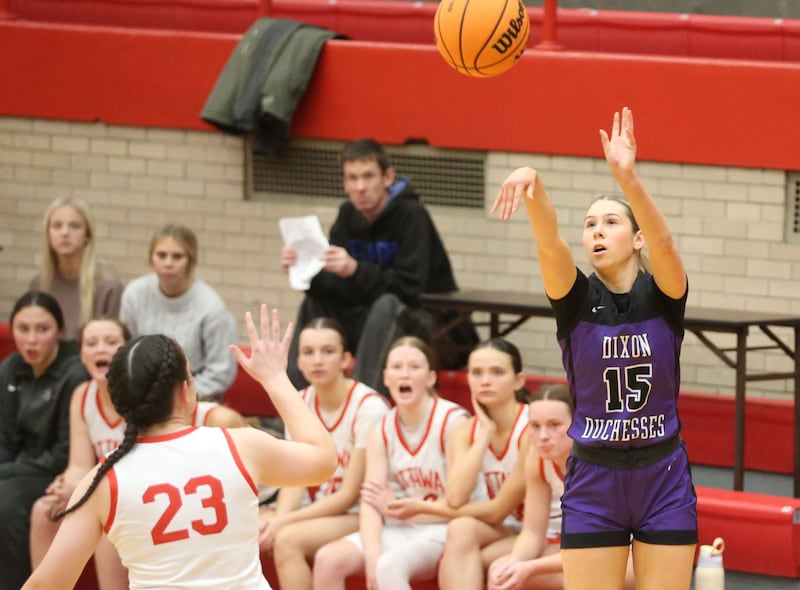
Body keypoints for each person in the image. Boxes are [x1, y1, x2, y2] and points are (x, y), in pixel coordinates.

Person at [492, 107, 697, 590]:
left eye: (610, 222)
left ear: (636, 237)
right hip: (594, 478)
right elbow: (549, 244)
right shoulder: (576, 299)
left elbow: (665, 242)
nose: (597, 231)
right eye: (590, 225)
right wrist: (534, 185)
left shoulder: (663, 293)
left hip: (662, 474)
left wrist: (627, 179)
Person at [21, 305, 337, 590]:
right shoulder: (238, 444)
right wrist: (275, 378)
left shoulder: (101, 481)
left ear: (119, 404)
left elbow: (46, 584)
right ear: (185, 391)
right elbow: (324, 460)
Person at [28, 317, 247, 590]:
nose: (100, 350)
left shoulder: (199, 417)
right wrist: (69, 484)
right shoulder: (83, 396)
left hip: (192, 501)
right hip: (146, 497)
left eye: (110, 342)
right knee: (45, 510)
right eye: (91, 343)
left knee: (113, 518)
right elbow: (79, 465)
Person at [281, 138, 476, 394]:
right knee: (314, 304)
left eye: (368, 177)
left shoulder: (412, 216)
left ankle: (364, 409)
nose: (360, 187)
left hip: (430, 325)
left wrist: (355, 270)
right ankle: (294, 403)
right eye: (352, 178)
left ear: (387, 178)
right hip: (369, 318)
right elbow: (338, 287)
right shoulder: (347, 216)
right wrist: (305, 269)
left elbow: (411, 289)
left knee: (387, 305)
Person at [311, 336, 481, 590]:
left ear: (431, 378)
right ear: (386, 377)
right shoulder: (382, 429)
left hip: (447, 528)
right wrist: (372, 552)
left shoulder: (453, 421)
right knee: (328, 559)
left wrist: (408, 508)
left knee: (389, 565)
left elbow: (460, 502)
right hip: (404, 527)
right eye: (397, 367)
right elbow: (370, 500)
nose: (405, 374)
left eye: (414, 367)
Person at [260, 317, 390, 590]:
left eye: (327, 352)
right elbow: (294, 479)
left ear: (346, 360)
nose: (317, 360)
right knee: (252, 527)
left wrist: (284, 521)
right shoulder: (299, 401)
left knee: (287, 539)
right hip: (318, 508)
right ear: (298, 362)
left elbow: (348, 495)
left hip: (360, 513)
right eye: (308, 352)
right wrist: (279, 518)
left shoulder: (369, 407)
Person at [0, 291, 89, 590]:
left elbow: (64, 452)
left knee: (7, 504)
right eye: (23, 329)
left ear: (60, 332)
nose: (32, 340)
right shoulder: (11, 367)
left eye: (43, 329)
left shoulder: (75, 372)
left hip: (54, 471)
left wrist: (7, 471)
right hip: (16, 468)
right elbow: (3, 437)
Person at [120, 223, 238, 401]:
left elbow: (221, 372)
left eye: (177, 257)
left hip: (195, 395)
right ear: (151, 258)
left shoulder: (212, 307)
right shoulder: (134, 293)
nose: (168, 263)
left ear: (190, 261)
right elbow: (126, 350)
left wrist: (177, 397)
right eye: (161, 255)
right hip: (143, 392)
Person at [30, 196, 124, 341]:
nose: (65, 233)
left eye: (74, 226)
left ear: (87, 235)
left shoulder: (108, 286)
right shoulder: (39, 283)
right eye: (57, 226)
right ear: (48, 235)